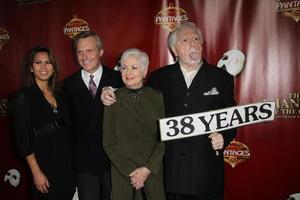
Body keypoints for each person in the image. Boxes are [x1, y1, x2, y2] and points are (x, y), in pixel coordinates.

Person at [101, 22, 237, 200]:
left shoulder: (221, 78)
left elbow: (232, 119)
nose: (193, 43)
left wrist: (224, 136)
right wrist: (109, 90)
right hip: (172, 174)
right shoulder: (159, 78)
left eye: (196, 39)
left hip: (206, 173)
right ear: (174, 49)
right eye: (185, 40)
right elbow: (136, 95)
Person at [63, 31, 122, 200]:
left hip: (114, 161)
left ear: (100, 52)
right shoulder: (68, 85)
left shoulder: (118, 79)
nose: (84, 56)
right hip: (84, 163)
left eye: (89, 50)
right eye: (80, 52)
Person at [103, 48, 165, 200]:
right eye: (124, 68)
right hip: (123, 176)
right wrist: (132, 172)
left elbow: (163, 138)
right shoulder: (112, 99)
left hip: (152, 174)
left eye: (134, 67)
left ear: (144, 71)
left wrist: (147, 169)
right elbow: (109, 143)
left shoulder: (157, 97)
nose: (128, 72)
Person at [14, 46, 75, 200]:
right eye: (38, 62)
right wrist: (36, 172)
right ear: (31, 68)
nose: (43, 67)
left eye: (48, 62)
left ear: (54, 67)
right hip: (43, 163)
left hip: (67, 163)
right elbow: (23, 139)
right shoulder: (23, 97)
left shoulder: (61, 93)